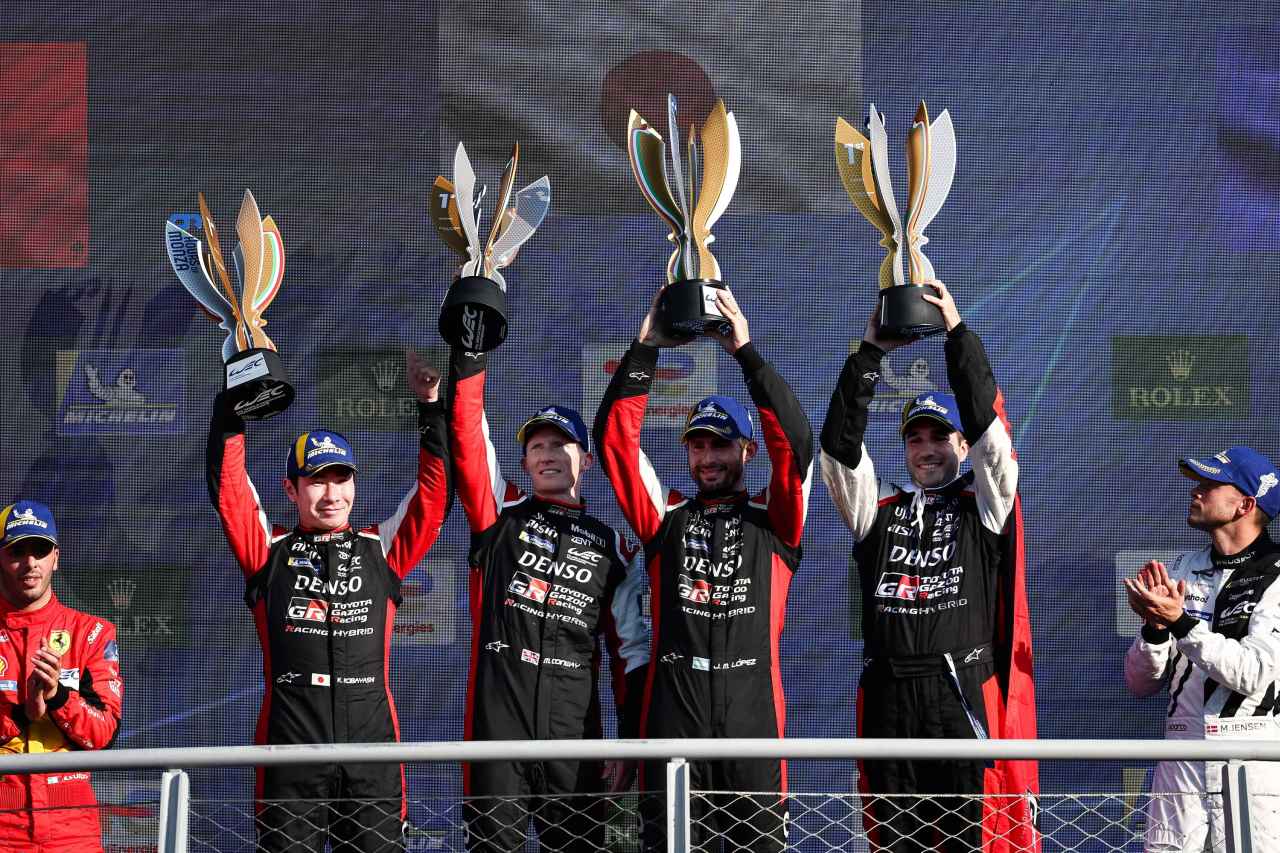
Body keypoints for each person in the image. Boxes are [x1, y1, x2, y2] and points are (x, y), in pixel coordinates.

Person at [819, 282, 1038, 853]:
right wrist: (869, 354)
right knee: (892, 840)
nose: (926, 448)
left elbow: (993, 438)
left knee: (972, 838)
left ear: (961, 446)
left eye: (940, 436)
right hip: (889, 693)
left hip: (959, 689)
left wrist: (956, 334)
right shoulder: (878, 509)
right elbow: (837, 453)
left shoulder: (986, 504)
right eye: (914, 438)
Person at [205, 348, 451, 853]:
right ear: (290, 489)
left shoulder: (381, 548)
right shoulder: (268, 550)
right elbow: (230, 491)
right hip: (290, 748)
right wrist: (230, 411)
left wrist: (431, 408)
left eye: (341, 479)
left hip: (372, 751)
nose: (331, 493)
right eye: (317, 480)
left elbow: (433, 497)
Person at [594, 288, 813, 853]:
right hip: (675, 710)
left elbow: (795, 445)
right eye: (697, 447)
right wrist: (646, 347)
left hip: (752, 713)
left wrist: (744, 352)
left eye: (721, 445)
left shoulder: (775, 520)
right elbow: (616, 443)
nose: (708, 458)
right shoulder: (665, 517)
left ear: (748, 451)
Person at [447, 345, 648, 852]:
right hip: (500, 725)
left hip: (573, 732)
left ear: (587, 459)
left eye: (561, 444)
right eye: (537, 446)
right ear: (524, 463)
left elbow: (630, 655)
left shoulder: (614, 548)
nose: (547, 454)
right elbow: (469, 439)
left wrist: (630, 743)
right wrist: (469, 354)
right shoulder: (500, 515)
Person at [1124, 446, 1280, 853]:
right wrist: (1155, 630)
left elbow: (1253, 674)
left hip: (1253, 756)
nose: (1196, 492)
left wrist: (1180, 623)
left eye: (1210, 485)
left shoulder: (1277, 576)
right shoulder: (1182, 569)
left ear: (1245, 505)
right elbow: (1140, 684)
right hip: (1181, 751)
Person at [0, 499, 122, 852]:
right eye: (17, 551)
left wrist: (58, 697)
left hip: (72, 829)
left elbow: (104, 734)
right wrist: (23, 713)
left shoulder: (92, 633)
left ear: (56, 557)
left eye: (40, 550)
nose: (30, 563)